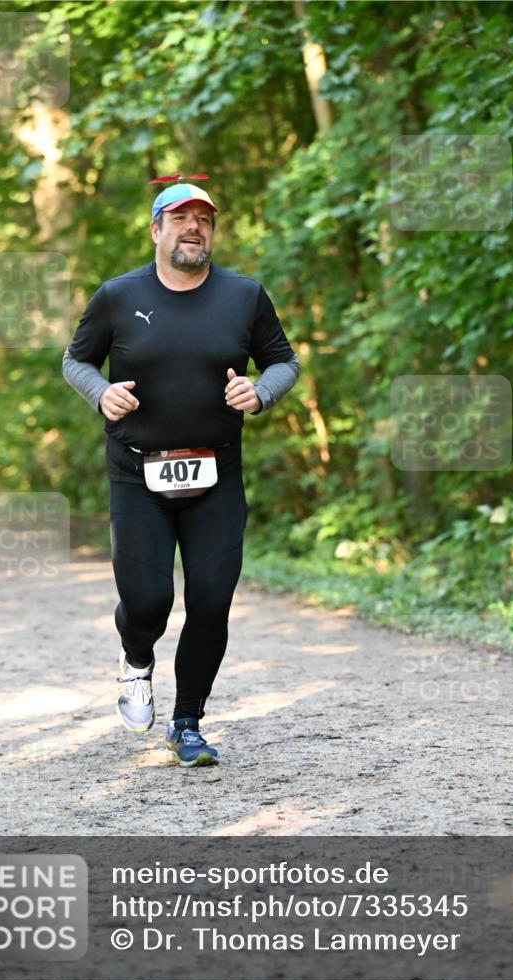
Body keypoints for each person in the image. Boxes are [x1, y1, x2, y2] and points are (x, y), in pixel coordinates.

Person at [62, 180, 299, 767]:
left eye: (204, 220)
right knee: (148, 600)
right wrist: (100, 393)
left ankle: (187, 721)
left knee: (212, 600)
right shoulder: (118, 296)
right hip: (137, 476)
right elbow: (76, 359)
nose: (194, 227)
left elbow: (283, 361)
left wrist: (261, 391)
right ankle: (136, 658)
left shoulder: (244, 297)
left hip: (216, 474)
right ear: (156, 230)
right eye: (181, 217)